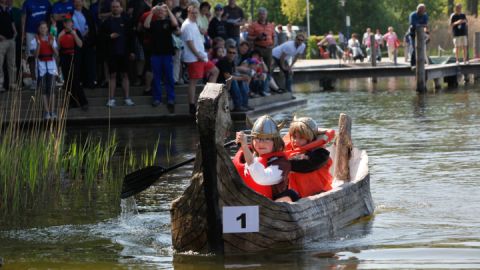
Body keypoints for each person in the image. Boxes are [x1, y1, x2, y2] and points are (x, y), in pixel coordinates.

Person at [234, 115, 298, 202]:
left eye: (267, 139)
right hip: (244, 202)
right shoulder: (245, 153)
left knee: (291, 194)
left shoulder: (282, 164)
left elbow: (261, 178)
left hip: (271, 207)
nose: (261, 143)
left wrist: (244, 146)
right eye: (257, 138)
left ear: (275, 142)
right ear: (252, 139)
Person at [283, 116, 335, 198]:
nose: (296, 141)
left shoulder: (321, 153)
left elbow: (304, 164)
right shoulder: (288, 150)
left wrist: (283, 164)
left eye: (301, 138)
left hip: (319, 193)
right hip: (297, 194)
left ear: (310, 138)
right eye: (294, 137)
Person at [181, 4, 218, 115]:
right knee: (193, 81)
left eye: (196, 13)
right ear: (188, 12)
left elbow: (199, 36)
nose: (195, 14)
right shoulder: (186, 25)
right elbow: (190, 43)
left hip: (201, 56)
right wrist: (198, 55)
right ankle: (192, 106)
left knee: (215, 71)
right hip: (194, 58)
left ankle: (207, 98)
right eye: (193, 13)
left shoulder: (195, 22)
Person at [143, 3, 177, 113]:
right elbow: (146, 25)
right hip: (155, 54)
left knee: (169, 77)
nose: (161, 12)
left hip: (167, 54)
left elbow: (175, 23)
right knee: (156, 77)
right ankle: (157, 98)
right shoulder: (153, 23)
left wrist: (168, 9)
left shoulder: (168, 22)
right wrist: (152, 11)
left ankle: (171, 98)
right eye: (160, 11)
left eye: (163, 11)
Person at [101, 0, 135, 107]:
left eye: (117, 6)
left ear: (121, 8)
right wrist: (109, 37)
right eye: (113, 7)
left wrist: (132, 51)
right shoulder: (107, 22)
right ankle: (111, 99)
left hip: (124, 52)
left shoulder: (127, 20)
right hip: (112, 53)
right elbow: (100, 38)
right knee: (112, 75)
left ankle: (127, 98)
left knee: (125, 75)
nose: (115, 8)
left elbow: (131, 37)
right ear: (111, 8)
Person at [58, 14, 88, 110]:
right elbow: (57, 47)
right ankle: (71, 102)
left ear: (72, 23)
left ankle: (83, 102)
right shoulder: (61, 33)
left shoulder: (76, 32)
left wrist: (74, 34)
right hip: (64, 58)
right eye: (66, 22)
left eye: (70, 22)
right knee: (67, 81)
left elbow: (80, 44)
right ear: (64, 24)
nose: (68, 24)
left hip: (74, 58)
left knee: (76, 80)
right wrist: (59, 38)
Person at [31, 21, 58, 119]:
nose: (43, 30)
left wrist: (51, 45)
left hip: (51, 66)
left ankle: (53, 111)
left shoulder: (52, 38)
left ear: (47, 29)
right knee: (43, 90)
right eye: (41, 28)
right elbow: (35, 56)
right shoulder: (34, 40)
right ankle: (46, 111)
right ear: (39, 29)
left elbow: (57, 54)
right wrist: (38, 45)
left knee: (52, 89)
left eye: (45, 28)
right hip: (41, 66)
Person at [22, 0, 52, 89]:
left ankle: (45, 80)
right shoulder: (27, 2)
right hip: (30, 32)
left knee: (45, 55)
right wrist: (23, 33)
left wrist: (49, 32)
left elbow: (50, 18)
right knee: (31, 57)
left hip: (44, 32)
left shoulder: (47, 3)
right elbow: (23, 18)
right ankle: (34, 81)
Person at [216, 44, 250, 112]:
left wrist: (242, 77)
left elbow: (233, 74)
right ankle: (238, 105)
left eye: (233, 53)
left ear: (236, 54)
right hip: (219, 82)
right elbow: (227, 76)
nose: (231, 54)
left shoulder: (231, 62)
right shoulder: (224, 61)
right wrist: (241, 78)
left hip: (226, 81)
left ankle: (244, 104)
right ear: (226, 53)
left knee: (241, 80)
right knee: (234, 81)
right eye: (230, 52)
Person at [72, 0, 97, 88]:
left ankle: (89, 82)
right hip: (75, 41)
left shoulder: (88, 13)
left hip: (87, 41)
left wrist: (92, 40)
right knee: (77, 63)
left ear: (83, 2)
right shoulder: (70, 13)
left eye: (80, 1)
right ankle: (78, 82)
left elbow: (92, 27)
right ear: (73, 3)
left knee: (88, 63)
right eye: (76, 2)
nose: (78, 3)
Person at [247, 7, 274, 76]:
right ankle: (258, 83)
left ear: (266, 15)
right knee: (257, 66)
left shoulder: (271, 25)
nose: (263, 16)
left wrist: (273, 44)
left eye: (264, 14)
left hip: (269, 49)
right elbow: (248, 37)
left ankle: (267, 84)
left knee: (268, 67)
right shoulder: (253, 25)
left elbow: (273, 36)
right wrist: (257, 37)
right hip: (258, 49)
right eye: (261, 14)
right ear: (258, 15)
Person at [0, 0, 17, 92]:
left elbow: (12, 21)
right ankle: (0, 84)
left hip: (11, 39)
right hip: (1, 41)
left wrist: (15, 31)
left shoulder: (8, 9)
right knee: (0, 63)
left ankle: (12, 84)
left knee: (12, 64)